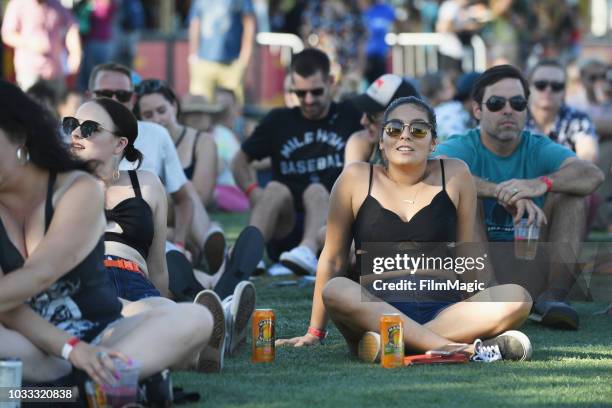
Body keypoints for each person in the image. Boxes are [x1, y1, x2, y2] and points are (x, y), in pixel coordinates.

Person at [277, 96, 533, 363]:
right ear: (381, 141)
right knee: (336, 289)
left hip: (444, 310)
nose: (405, 136)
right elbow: (333, 259)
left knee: (518, 298)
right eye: (394, 129)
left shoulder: (455, 174)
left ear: (434, 142)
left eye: (418, 130)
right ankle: (459, 349)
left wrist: (478, 308)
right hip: (373, 310)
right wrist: (314, 332)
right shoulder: (355, 178)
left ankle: (393, 344)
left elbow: (466, 255)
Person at [0, 80, 221, 388]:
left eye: (89, 128)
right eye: (72, 125)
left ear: (19, 137)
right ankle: (96, 385)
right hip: (37, 340)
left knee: (194, 319)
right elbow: (10, 308)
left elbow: (41, 273)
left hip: (103, 327)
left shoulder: (78, 188)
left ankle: (79, 385)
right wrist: (70, 349)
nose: (76, 133)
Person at [434, 65, 605, 330]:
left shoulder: (536, 146)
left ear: (526, 109)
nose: (508, 110)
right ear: (477, 110)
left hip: (528, 260)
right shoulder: (463, 145)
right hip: (475, 269)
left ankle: (554, 300)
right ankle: (486, 297)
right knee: (465, 194)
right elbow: (433, 171)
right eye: (495, 103)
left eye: (517, 103)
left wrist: (541, 184)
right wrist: (502, 191)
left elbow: (592, 175)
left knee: (571, 197)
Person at [232, 48, 362, 275]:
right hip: (286, 225)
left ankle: (308, 252)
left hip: (331, 228)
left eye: (316, 92)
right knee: (273, 189)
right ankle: (248, 255)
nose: (308, 100)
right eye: (300, 93)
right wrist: (253, 191)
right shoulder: (278, 120)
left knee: (317, 191)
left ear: (331, 82)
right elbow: (240, 161)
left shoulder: (351, 115)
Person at [87, 63, 226, 273]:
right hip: (107, 232)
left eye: (122, 95)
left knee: (172, 194)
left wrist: (176, 239)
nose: (114, 100)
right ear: (90, 95)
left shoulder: (160, 136)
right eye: (105, 94)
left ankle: (201, 250)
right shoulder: (72, 135)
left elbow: (191, 197)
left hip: (151, 225)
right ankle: (207, 259)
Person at [134, 79, 218, 207]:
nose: (157, 119)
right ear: (140, 119)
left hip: (190, 220)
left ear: (174, 106)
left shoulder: (202, 142)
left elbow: (201, 199)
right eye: (148, 115)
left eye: (161, 111)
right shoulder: (138, 146)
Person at [525, 59, 599, 163]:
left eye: (556, 86)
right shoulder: (516, 116)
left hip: (568, 178)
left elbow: (588, 158)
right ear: (529, 87)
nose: (548, 90)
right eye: (540, 84)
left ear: (564, 91)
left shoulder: (577, 119)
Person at [1, 0, 82, 91]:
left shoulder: (56, 4)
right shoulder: (18, 4)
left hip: (54, 69)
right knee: (30, 103)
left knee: (58, 102)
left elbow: (72, 28)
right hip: (30, 71)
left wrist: (75, 53)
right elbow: (7, 34)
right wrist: (29, 42)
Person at [188, 0, 256, 104]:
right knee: (199, 108)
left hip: (232, 63)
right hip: (203, 61)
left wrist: (244, 58)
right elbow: (195, 23)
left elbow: (249, 24)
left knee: (231, 110)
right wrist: (193, 55)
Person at [344, 73, 421, 165]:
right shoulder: (361, 142)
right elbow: (351, 178)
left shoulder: (425, 153)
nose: (363, 121)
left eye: (373, 116)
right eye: (364, 112)